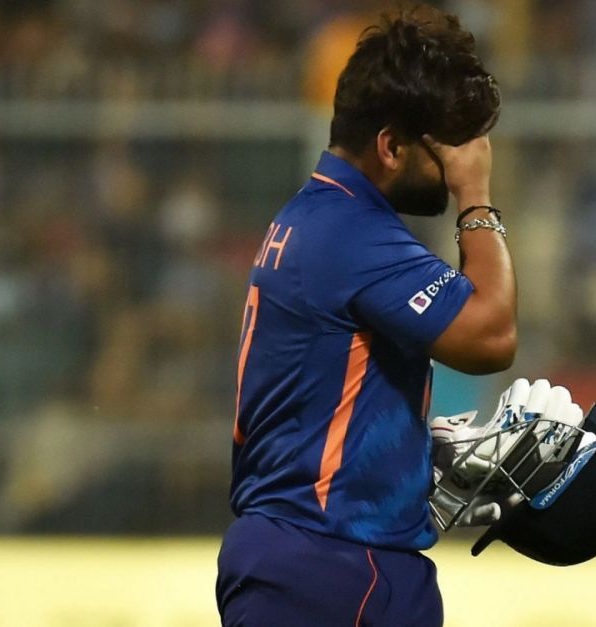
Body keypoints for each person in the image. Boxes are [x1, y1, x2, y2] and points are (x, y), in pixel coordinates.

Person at [215, 6, 515, 626]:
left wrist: (412, 453)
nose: (460, 163)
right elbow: (491, 336)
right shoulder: (354, 235)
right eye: (449, 149)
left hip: (305, 557)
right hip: (334, 569)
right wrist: (476, 198)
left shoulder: (316, 215)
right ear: (391, 145)